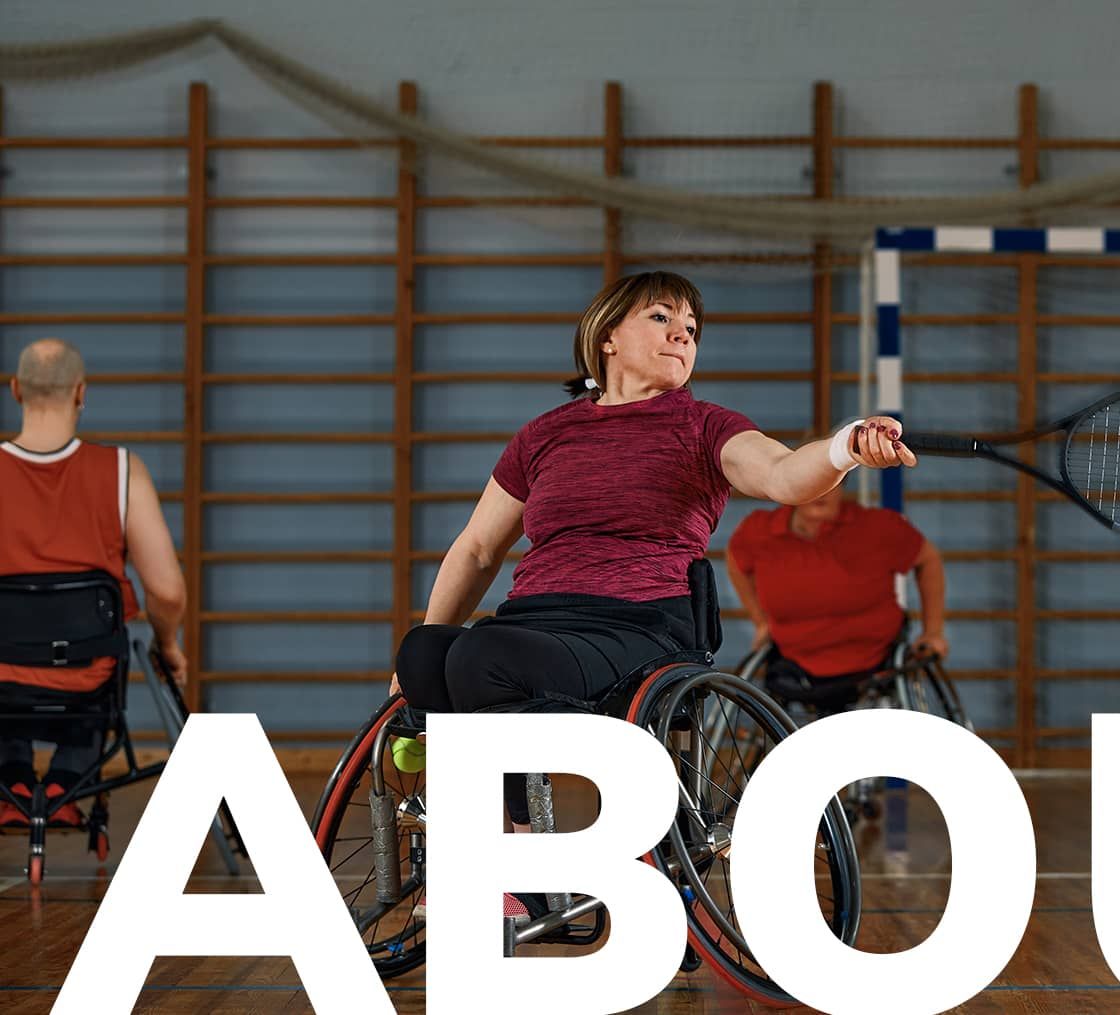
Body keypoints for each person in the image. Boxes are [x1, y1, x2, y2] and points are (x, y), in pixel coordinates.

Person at [390, 270, 914, 825]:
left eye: (691, 328)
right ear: (606, 337)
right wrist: (411, 674)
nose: (682, 335)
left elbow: (785, 476)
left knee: (478, 659)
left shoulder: (705, 427)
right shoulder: (544, 435)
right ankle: (479, 822)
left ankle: (516, 854)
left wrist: (844, 447)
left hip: (638, 628)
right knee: (423, 651)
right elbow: (475, 549)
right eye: (662, 318)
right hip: (536, 620)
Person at [0, 338, 188, 828]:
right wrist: (168, 645)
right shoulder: (123, 472)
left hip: (1, 681)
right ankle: (64, 784)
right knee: (100, 667)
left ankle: (13, 781)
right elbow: (166, 592)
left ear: (16, 389)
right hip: (87, 683)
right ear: (81, 393)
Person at [726, 482, 947, 718]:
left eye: (829, 482)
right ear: (792, 482)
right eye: (811, 480)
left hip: (874, 661)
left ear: (841, 486)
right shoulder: (760, 530)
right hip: (795, 661)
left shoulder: (877, 525)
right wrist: (761, 622)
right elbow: (736, 562)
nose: (820, 491)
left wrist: (932, 631)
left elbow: (927, 559)